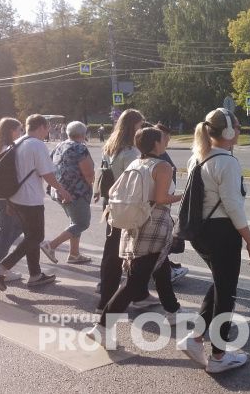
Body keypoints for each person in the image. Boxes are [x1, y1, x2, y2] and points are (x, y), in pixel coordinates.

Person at [177, 108, 250, 373]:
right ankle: (219, 357)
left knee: (219, 283)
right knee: (227, 293)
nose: (239, 129)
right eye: (236, 125)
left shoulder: (197, 157)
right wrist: (249, 240)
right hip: (222, 232)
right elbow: (233, 206)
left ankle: (196, 338)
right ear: (226, 132)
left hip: (201, 232)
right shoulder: (227, 162)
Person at [87, 127, 186, 339]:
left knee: (161, 267)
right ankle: (102, 327)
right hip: (154, 223)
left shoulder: (136, 163)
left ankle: (173, 310)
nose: (165, 141)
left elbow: (115, 189)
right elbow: (161, 199)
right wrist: (181, 197)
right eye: (162, 139)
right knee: (135, 281)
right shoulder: (163, 166)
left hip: (135, 223)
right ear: (155, 144)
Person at [0, 114, 73, 292]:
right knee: (36, 237)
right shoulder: (37, 144)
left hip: (16, 197)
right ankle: (1, 268)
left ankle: (35, 275)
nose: (48, 131)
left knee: (30, 235)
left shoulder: (20, 142)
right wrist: (62, 190)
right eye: (47, 128)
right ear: (41, 127)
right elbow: (47, 173)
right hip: (30, 199)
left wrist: (9, 200)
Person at [95, 109, 155, 311]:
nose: (143, 128)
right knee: (124, 253)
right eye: (140, 124)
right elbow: (136, 182)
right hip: (126, 207)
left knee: (112, 252)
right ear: (132, 127)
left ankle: (126, 293)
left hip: (111, 204)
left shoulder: (110, 147)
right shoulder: (130, 153)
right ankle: (110, 301)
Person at [41, 121, 94, 264]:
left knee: (74, 221)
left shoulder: (60, 145)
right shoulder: (80, 148)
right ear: (83, 134)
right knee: (82, 223)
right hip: (76, 192)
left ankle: (74, 254)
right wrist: (93, 187)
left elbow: (50, 164)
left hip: (59, 190)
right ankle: (51, 245)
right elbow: (88, 173)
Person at [154, 123, 189, 285]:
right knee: (161, 241)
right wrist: (181, 197)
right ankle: (165, 271)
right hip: (158, 206)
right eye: (165, 137)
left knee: (161, 241)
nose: (168, 140)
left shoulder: (161, 154)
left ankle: (165, 268)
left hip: (162, 204)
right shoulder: (157, 157)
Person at [0, 118, 25, 282]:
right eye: (19, 130)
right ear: (11, 131)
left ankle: (1, 265)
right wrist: (10, 201)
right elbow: (8, 178)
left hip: (0, 196)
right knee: (8, 233)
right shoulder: (9, 149)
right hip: (5, 197)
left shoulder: (0, 146)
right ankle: (0, 268)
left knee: (9, 230)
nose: (21, 133)